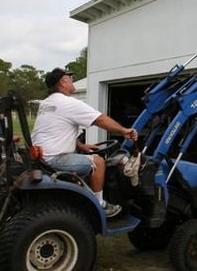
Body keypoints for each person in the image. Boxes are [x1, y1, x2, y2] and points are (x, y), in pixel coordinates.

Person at [31, 68, 138, 218]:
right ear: (63, 81)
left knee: (89, 158)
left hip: (42, 159)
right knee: (98, 162)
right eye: (70, 77)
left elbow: (55, 131)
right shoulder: (68, 103)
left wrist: (82, 146)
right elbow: (99, 119)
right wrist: (123, 130)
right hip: (55, 159)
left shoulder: (47, 104)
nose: (72, 80)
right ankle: (100, 204)